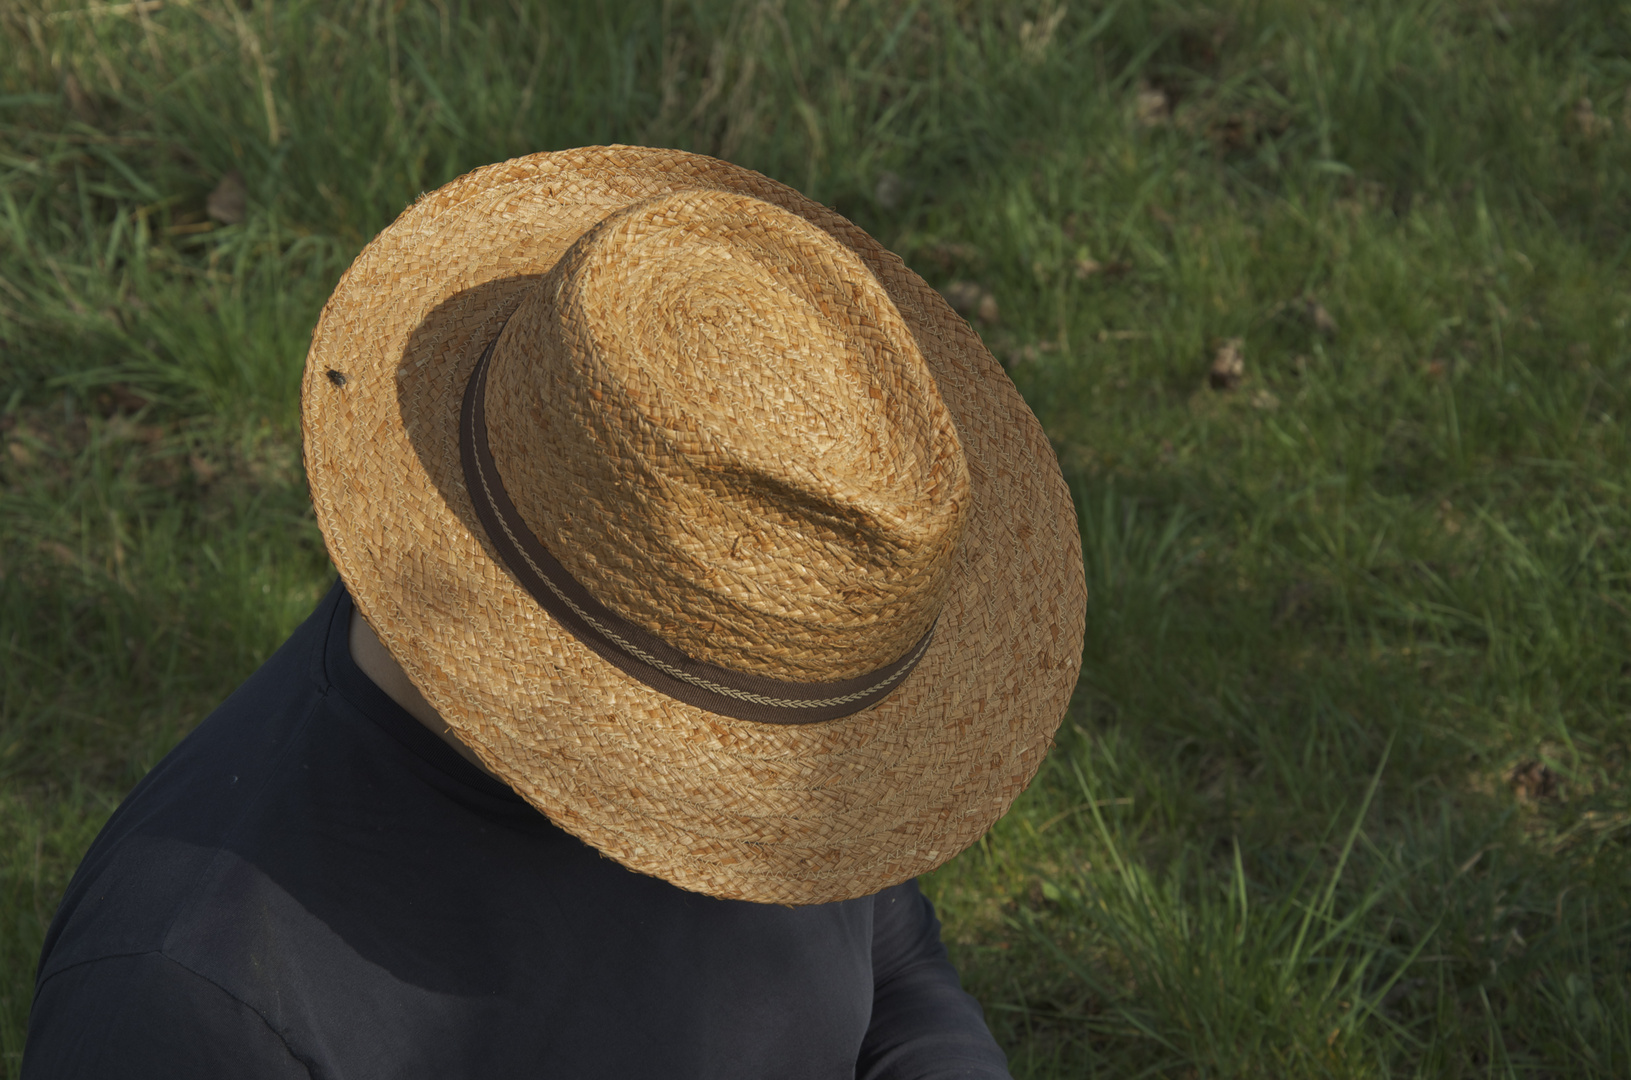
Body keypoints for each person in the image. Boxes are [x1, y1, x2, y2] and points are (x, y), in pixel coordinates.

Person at [22, 146, 1086, 1078]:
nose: (772, 805)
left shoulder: (780, 728)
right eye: (747, 755)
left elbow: (882, 941)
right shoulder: (192, 1003)